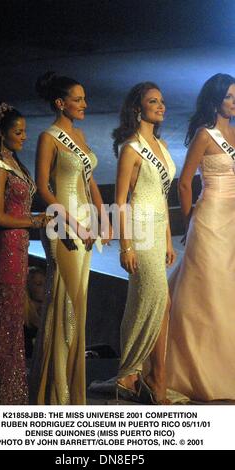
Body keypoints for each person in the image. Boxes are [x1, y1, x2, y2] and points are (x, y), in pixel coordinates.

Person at [29, 72, 112, 405]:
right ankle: (57, 390)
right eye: (78, 99)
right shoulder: (49, 137)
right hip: (62, 225)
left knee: (77, 303)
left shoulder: (79, 134)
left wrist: (103, 215)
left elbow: (89, 180)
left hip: (85, 226)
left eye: (84, 98)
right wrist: (74, 224)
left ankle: (72, 388)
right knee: (64, 305)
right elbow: (42, 188)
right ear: (61, 103)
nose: (85, 104)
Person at [0, 102, 47, 404]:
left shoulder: (14, 162)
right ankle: (0, 395)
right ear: (1, 134)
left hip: (19, 248)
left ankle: (12, 391)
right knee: (1, 324)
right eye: (18, 132)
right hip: (4, 251)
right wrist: (35, 220)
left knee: (13, 320)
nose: (24, 136)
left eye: (25, 131)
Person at [166, 73, 235, 402]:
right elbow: (184, 182)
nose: (234, 102)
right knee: (206, 291)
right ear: (216, 100)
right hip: (209, 217)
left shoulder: (234, 133)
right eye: (230, 97)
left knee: (227, 293)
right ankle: (195, 369)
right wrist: (190, 217)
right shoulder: (204, 135)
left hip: (234, 220)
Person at [113, 82, 176, 404]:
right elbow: (121, 201)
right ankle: (135, 372)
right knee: (154, 301)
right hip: (139, 230)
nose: (161, 106)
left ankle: (142, 375)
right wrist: (126, 245)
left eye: (162, 101)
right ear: (139, 107)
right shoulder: (131, 148)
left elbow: (163, 197)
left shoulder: (161, 146)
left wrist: (167, 239)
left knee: (157, 304)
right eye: (154, 101)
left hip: (157, 230)